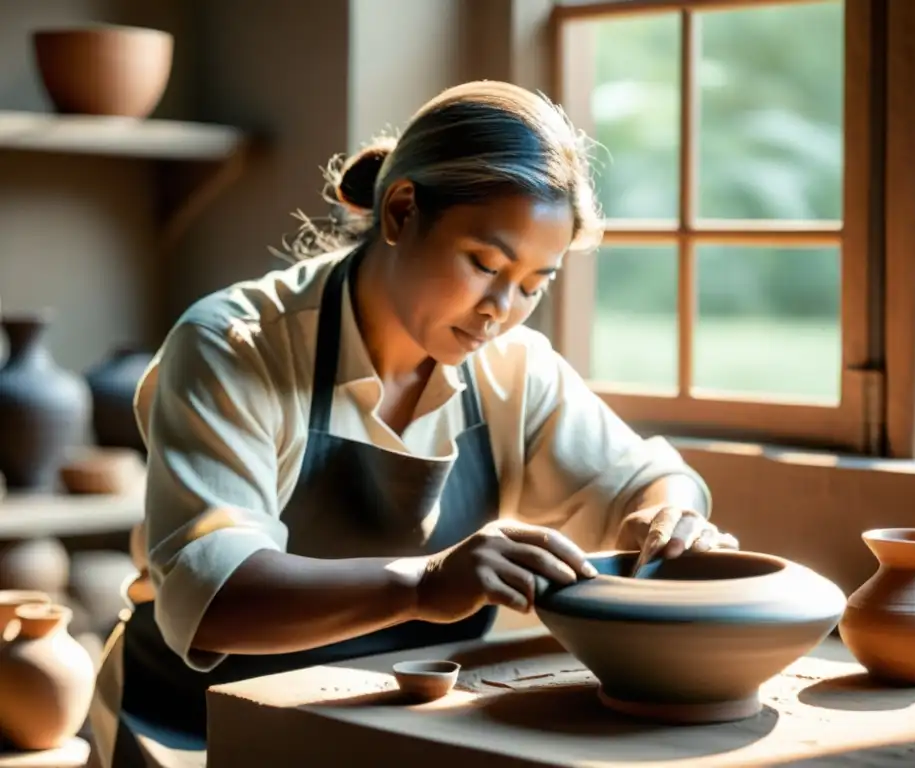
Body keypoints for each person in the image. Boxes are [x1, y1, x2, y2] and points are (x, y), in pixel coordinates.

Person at [88, 80, 737, 768]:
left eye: (533, 284)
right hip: (197, 730)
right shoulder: (234, 346)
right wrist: (423, 585)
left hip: (390, 728)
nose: (501, 309)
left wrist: (667, 520)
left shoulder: (512, 368)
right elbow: (216, 598)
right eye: (485, 264)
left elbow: (648, 481)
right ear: (400, 212)